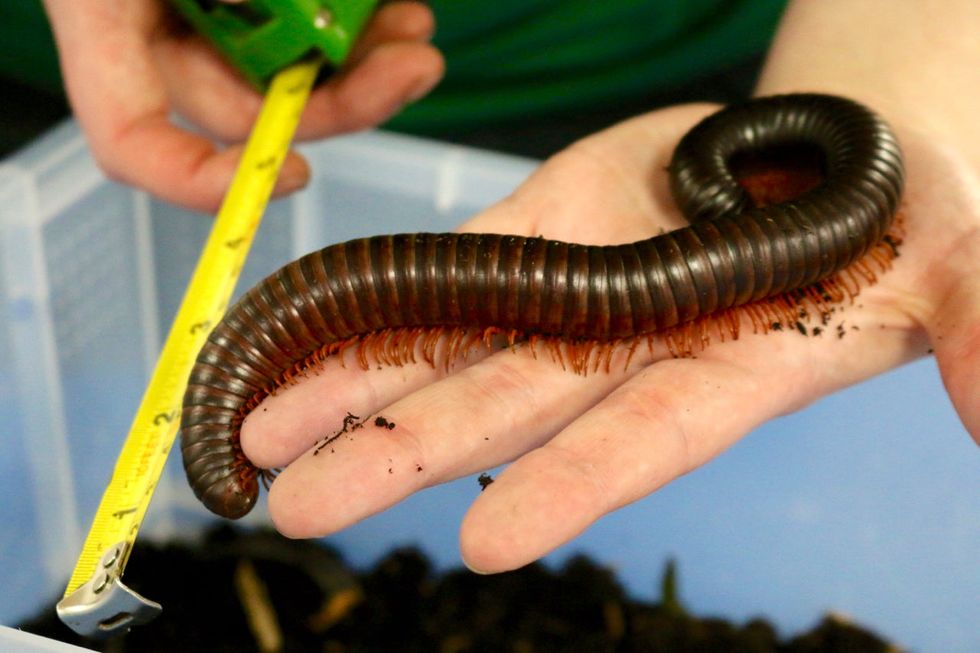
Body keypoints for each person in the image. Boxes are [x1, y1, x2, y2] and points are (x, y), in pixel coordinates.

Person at [42, 0, 978, 574]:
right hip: (103, 69)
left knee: (542, 294)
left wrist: (889, 68)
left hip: (701, 54)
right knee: (402, 295)